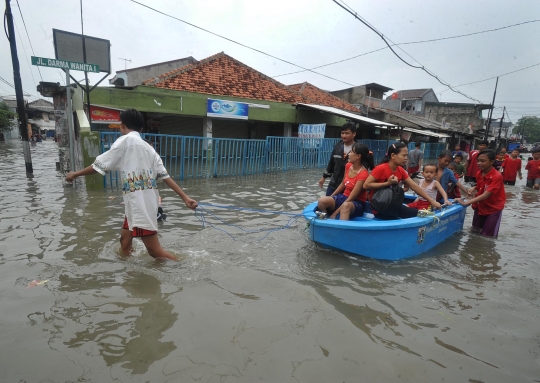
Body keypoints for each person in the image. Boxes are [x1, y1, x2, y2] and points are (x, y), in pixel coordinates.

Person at [65, 108, 198, 260]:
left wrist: (75, 174)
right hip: (140, 203)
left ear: (122, 126)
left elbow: (99, 165)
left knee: (155, 251)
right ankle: (131, 273)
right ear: (141, 128)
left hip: (139, 204)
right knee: (125, 242)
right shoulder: (150, 149)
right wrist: (185, 198)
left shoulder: (125, 141)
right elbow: (165, 176)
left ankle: (183, 264)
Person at [364, 143, 442, 220]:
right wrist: (387, 183)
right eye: (403, 155)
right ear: (393, 156)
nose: (406, 158)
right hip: (379, 207)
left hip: (392, 205)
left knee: (415, 212)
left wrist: (431, 201)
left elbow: (414, 186)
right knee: (415, 213)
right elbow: (366, 185)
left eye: (406, 155)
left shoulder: (401, 170)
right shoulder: (380, 169)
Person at [456, 149, 506, 238]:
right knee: (474, 231)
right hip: (480, 206)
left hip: (493, 209)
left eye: (482, 161)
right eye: (478, 161)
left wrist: (467, 202)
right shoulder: (479, 173)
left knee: (488, 237)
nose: (479, 163)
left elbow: (486, 194)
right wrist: (474, 187)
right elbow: (481, 185)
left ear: (492, 161)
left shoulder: (497, 176)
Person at [317, 143, 374, 220]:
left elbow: (351, 198)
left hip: (356, 203)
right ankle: (325, 221)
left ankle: (341, 230)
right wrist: (331, 196)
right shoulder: (348, 166)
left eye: (351, 152)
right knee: (322, 201)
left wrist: (335, 213)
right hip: (343, 197)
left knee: (345, 206)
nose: (348, 154)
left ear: (358, 156)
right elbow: (343, 183)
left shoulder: (363, 174)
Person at [318, 122, 357, 196]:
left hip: (349, 186)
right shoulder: (337, 147)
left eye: (347, 133)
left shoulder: (358, 149)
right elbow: (331, 164)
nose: (344, 136)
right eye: (342, 133)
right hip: (334, 183)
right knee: (327, 202)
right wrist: (323, 178)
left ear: (354, 134)